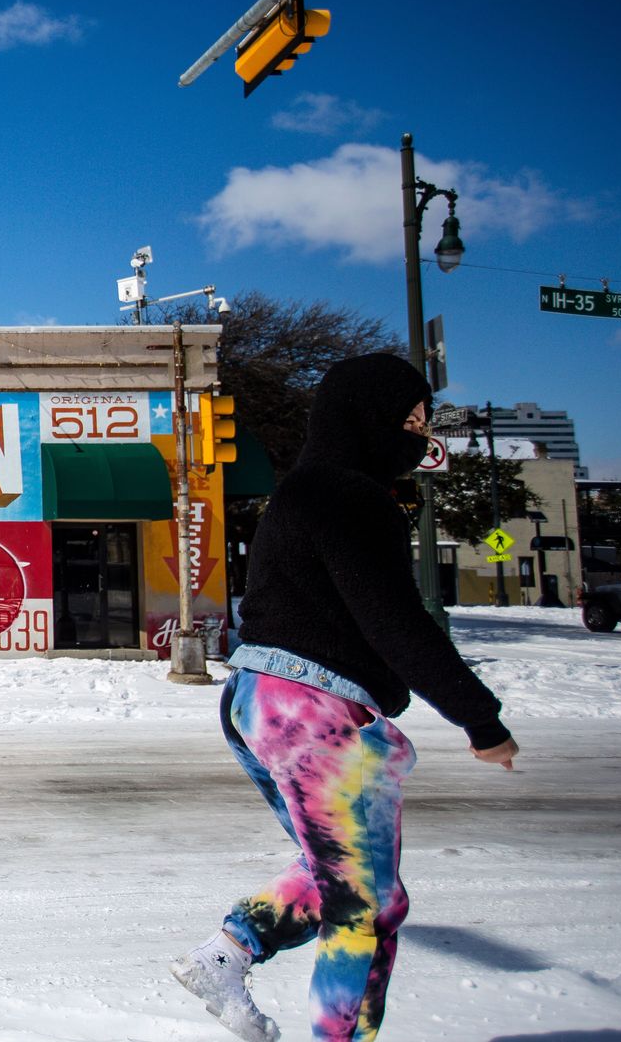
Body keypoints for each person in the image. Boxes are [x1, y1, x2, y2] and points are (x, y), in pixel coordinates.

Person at [170, 353, 520, 1042]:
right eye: (409, 420)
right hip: (314, 708)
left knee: (333, 871)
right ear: (366, 420)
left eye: (425, 422)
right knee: (366, 903)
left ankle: (227, 953)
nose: (421, 436)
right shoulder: (348, 496)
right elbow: (394, 620)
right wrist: (480, 717)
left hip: (261, 699)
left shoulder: (303, 492)